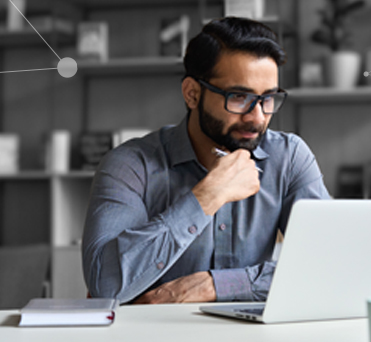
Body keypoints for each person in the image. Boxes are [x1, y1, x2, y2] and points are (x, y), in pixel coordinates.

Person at [82, 17, 330, 305]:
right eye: (239, 97)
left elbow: (329, 264)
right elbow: (105, 285)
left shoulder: (289, 157)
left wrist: (215, 286)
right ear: (192, 94)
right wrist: (208, 196)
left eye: (268, 98)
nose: (258, 117)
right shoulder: (129, 165)